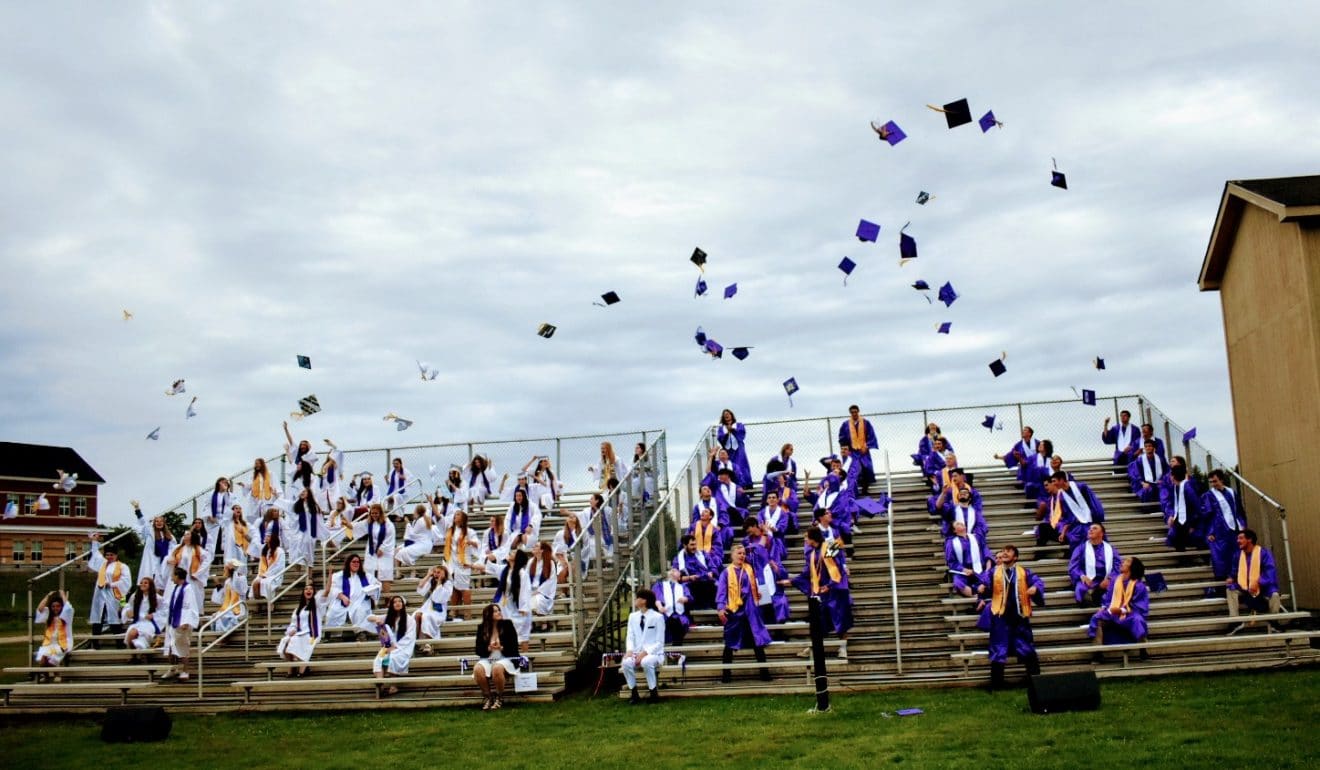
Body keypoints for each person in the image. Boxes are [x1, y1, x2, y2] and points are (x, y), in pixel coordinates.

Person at [976, 546, 1044, 690]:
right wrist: (981, 587)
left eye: (1009, 551)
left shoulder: (1024, 572)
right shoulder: (994, 572)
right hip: (1000, 617)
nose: (1005, 553)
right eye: (1004, 551)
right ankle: (997, 685)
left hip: (1019, 617)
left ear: (1015, 557)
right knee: (998, 649)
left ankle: (1036, 682)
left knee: (1026, 648)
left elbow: (1037, 581)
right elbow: (983, 582)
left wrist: (1035, 588)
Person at [792, 527, 853, 660]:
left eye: (806, 537)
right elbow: (807, 572)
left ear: (813, 538)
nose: (805, 539)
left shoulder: (830, 546)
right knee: (819, 619)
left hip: (836, 590)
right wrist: (792, 580)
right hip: (821, 591)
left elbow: (839, 568)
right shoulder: (812, 553)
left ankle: (843, 647)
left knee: (840, 617)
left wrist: (830, 585)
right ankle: (814, 645)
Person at [716, 544, 772, 683]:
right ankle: (726, 675)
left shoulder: (749, 569)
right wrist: (720, 607)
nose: (742, 555)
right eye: (739, 553)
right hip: (734, 611)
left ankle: (764, 673)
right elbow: (722, 591)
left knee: (757, 642)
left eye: (744, 553)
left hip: (750, 610)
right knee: (729, 643)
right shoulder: (726, 572)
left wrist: (757, 593)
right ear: (732, 555)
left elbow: (754, 584)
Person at [1088, 556, 1150, 660]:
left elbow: (1139, 606)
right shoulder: (1115, 581)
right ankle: (1097, 652)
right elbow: (1108, 597)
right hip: (1113, 611)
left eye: (1127, 561)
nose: (1122, 562)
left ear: (1132, 566)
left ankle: (1143, 650)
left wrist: (1122, 610)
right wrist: (1104, 607)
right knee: (1097, 618)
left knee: (1138, 620)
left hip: (1130, 613)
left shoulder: (1138, 585)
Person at [362, 595, 416, 695]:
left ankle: (393, 685)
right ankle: (380, 684)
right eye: (395, 602)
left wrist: (395, 647)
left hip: (402, 647)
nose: (397, 603)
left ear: (403, 604)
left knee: (394, 657)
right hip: (387, 647)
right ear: (391, 605)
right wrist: (376, 619)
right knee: (379, 658)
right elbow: (368, 617)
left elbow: (409, 637)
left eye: (400, 601)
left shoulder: (409, 620)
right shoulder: (388, 617)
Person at [86, 534, 131, 648]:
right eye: (107, 554)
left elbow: (126, 581)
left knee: (114, 619)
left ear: (116, 555)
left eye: (111, 554)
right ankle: (95, 644)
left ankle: (120, 644)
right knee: (98, 619)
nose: (109, 557)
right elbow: (96, 555)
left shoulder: (122, 566)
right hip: (100, 595)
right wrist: (94, 542)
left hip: (113, 595)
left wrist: (111, 584)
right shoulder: (102, 564)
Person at [473, 603, 521, 710]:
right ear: (488, 614)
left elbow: (514, 645)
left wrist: (502, 647)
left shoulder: (507, 624)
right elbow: (478, 649)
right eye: (495, 611)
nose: (498, 612)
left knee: (497, 668)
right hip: (489, 658)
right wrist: (488, 648)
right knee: (477, 669)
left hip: (506, 658)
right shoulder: (482, 628)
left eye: (499, 610)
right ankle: (488, 697)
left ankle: (499, 697)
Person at [1204, 469, 1248, 585]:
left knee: (1237, 555)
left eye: (1215, 481)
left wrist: (1243, 524)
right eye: (1211, 482)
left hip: (1235, 529)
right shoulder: (1209, 496)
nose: (1213, 484)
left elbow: (1239, 510)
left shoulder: (1231, 492)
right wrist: (1210, 532)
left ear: (1222, 480)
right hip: (1220, 531)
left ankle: (1239, 582)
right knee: (1221, 557)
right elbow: (1208, 515)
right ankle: (1224, 585)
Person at [1226, 529, 1284, 618]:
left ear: (1250, 539)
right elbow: (1235, 571)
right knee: (1230, 589)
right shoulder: (1237, 555)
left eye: (1241, 538)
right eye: (1238, 539)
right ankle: (1234, 620)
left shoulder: (1264, 553)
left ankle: (1274, 621)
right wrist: (1231, 577)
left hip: (1262, 586)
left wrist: (1258, 582)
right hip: (1244, 586)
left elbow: (1270, 571)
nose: (1238, 541)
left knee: (1275, 595)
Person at [622, 589, 665, 703]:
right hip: (636, 652)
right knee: (626, 662)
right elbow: (630, 636)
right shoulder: (633, 616)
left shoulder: (657, 617)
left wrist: (645, 652)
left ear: (644, 601)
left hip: (654, 653)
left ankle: (653, 693)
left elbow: (660, 642)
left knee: (646, 662)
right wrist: (629, 650)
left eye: (637, 598)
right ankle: (634, 693)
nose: (635, 600)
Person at [276, 581, 327, 677]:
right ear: (303, 593)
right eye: (306, 589)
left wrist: (330, 575)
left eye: (311, 589)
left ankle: (302, 669)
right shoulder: (298, 609)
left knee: (298, 641)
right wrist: (291, 630)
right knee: (286, 641)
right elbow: (294, 623)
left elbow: (326, 592)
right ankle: (292, 668)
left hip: (312, 633)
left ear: (314, 592)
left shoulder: (317, 605)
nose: (308, 590)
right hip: (300, 632)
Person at [490, 549, 533, 651]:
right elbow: (489, 567)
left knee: (522, 636)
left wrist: (523, 608)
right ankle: (511, 659)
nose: (510, 553)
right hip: (507, 605)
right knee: (507, 635)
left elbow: (525, 591)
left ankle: (525, 661)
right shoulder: (505, 569)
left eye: (513, 553)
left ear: (517, 558)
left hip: (520, 608)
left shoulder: (522, 573)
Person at [1069, 524, 1121, 607]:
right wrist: (1082, 576)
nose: (1090, 530)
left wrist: (1109, 578)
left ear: (1101, 534)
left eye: (1094, 528)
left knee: (1113, 588)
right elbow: (1074, 566)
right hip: (1088, 579)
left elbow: (1117, 566)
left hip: (1105, 579)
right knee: (1080, 589)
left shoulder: (1111, 549)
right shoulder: (1080, 548)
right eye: (1089, 528)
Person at [323, 553, 381, 628]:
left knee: (360, 611)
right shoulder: (339, 575)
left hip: (361, 602)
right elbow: (333, 588)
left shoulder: (366, 576)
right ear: (348, 563)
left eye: (358, 562)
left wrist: (372, 590)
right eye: (353, 562)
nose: (356, 564)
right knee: (333, 611)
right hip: (343, 602)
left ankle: (360, 633)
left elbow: (377, 585)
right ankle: (331, 634)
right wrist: (342, 597)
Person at [162, 567, 199, 681]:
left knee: (182, 647)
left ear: (177, 576)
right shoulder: (176, 588)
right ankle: (173, 669)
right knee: (170, 647)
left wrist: (186, 622)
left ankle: (185, 670)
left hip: (182, 622)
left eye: (173, 575)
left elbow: (189, 606)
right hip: (173, 621)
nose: (171, 578)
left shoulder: (187, 588)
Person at [1161, 464, 1205, 556]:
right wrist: (1173, 516)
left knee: (1184, 541)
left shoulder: (1188, 488)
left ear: (1173, 476)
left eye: (1171, 475)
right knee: (1177, 541)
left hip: (1188, 521)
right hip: (1180, 520)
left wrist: (1193, 525)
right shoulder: (1177, 487)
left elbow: (1197, 506)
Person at [353, 503, 396, 593]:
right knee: (369, 572)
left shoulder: (388, 524)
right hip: (371, 551)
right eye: (372, 513)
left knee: (385, 574)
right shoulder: (369, 522)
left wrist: (382, 548)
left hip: (385, 553)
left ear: (380, 513)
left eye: (376, 513)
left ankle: (387, 598)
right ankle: (370, 596)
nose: (374, 515)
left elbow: (390, 537)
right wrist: (347, 524)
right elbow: (357, 526)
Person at [133, 500, 176, 587]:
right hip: (151, 559)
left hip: (163, 561)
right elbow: (143, 521)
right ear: (154, 523)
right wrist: (137, 509)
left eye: (161, 521)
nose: (159, 523)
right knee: (149, 580)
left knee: (163, 583)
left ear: (164, 523)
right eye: (157, 521)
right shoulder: (150, 532)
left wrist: (171, 557)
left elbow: (174, 548)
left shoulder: (169, 536)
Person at [944, 520, 991, 597]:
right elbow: (951, 561)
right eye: (958, 524)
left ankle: (980, 594)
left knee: (990, 575)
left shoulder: (977, 537)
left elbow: (986, 552)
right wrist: (964, 570)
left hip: (979, 569)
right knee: (958, 582)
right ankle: (975, 597)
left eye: (961, 522)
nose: (961, 523)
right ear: (954, 530)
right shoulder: (951, 542)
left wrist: (988, 568)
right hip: (963, 571)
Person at [838, 404, 878, 492]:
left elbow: (871, 435)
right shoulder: (845, 424)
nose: (854, 414)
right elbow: (842, 438)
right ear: (850, 413)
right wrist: (846, 449)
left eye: (855, 412)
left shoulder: (865, 423)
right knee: (852, 469)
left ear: (858, 411)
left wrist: (867, 446)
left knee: (866, 467)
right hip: (852, 451)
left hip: (863, 451)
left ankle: (865, 488)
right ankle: (853, 490)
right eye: (852, 412)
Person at [673, 533, 718, 610]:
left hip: (706, 580)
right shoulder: (678, 560)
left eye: (695, 544)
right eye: (692, 545)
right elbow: (677, 578)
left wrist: (711, 572)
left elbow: (712, 566)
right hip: (691, 583)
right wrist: (690, 578)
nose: (694, 547)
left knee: (714, 584)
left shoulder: (702, 554)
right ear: (685, 545)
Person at [34, 590, 74, 673]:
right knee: (43, 660)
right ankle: (47, 677)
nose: (55, 608)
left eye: (58, 606)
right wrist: (48, 596)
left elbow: (68, 607)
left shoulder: (66, 617)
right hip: (49, 644)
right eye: (53, 606)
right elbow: (40, 609)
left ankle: (56, 674)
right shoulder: (49, 616)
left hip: (62, 643)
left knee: (51, 660)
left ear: (61, 607)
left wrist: (63, 595)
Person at [415, 565, 453, 649]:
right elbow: (420, 588)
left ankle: (428, 642)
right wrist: (428, 575)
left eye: (438, 572)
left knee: (426, 616)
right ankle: (415, 640)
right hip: (427, 606)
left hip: (439, 609)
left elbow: (438, 599)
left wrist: (439, 581)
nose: (436, 574)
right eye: (435, 572)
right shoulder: (431, 581)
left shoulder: (448, 583)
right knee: (417, 615)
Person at [652, 567, 691, 646]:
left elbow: (688, 596)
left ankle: (676, 653)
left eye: (676, 570)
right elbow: (658, 597)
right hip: (665, 614)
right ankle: (673, 652)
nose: (673, 571)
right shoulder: (660, 584)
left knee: (678, 625)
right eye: (671, 570)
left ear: (680, 577)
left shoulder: (683, 586)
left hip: (679, 615)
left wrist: (685, 598)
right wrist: (659, 607)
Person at [122, 578, 161, 653]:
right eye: (141, 583)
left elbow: (164, 610)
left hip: (149, 623)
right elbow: (128, 606)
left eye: (145, 583)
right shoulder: (135, 596)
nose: (143, 584)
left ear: (150, 585)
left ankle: (141, 655)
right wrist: (128, 612)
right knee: (131, 634)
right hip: (138, 622)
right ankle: (134, 656)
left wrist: (154, 615)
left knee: (139, 638)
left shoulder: (156, 597)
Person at [395, 503, 437, 573]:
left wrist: (408, 523)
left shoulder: (421, 521)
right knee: (397, 550)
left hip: (423, 545)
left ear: (417, 512)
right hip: (418, 542)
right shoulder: (417, 520)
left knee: (403, 552)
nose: (413, 512)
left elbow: (412, 535)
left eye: (414, 511)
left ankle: (411, 570)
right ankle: (399, 572)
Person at [717, 409, 753, 489]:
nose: (726, 415)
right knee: (728, 466)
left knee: (741, 465)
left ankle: (745, 484)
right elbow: (720, 438)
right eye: (725, 414)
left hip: (738, 450)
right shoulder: (721, 428)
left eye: (728, 413)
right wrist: (726, 433)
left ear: (731, 415)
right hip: (727, 451)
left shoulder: (739, 425)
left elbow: (741, 434)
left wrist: (733, 430)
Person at [211, 559, 249, 633]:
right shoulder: (227, 582)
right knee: (216, 616)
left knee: (223, 617)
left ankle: (223, 638)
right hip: (229, 607)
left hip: (238, 608)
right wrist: (218, 585)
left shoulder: (242, 579)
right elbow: (223, 599)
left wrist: (234, 571)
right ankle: (221, 637)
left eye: (226, 569)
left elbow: (240, 590)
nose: (224, 571)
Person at [248, 529, 287, 600]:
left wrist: (267, 575)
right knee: (255, 582)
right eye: (266, 536)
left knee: (267, 583)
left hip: (275, 576)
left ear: (273, 538)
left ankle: (269, 602)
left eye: (268, 536)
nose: (265, 537)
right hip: (264, 574)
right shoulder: (265, 550)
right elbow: (261, 565)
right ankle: (258, 602)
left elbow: (279, 567)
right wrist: (262, 575)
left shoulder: (280, 551)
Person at [528, 543, 561, 617]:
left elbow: (551, 580)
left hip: (543, 592)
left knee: (538, 600)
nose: (533, 547)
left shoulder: (550, 563)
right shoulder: (530, 562)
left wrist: (538, 591)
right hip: (531, 590)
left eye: (536, 546)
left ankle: (544, 624)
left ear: (542, 550)